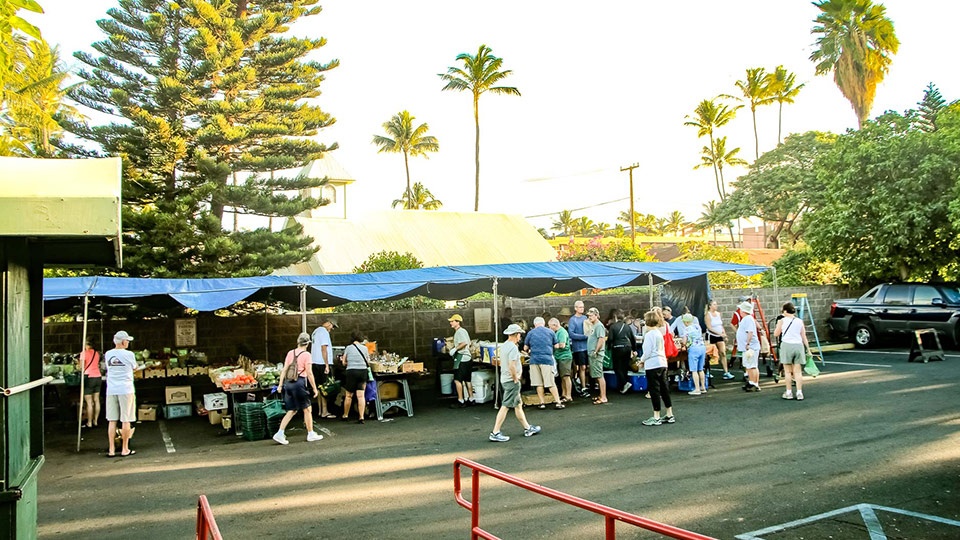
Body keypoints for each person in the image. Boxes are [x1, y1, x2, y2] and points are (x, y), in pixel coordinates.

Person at [489, 324, 541, 442]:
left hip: (505, 378)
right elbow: (512, 365)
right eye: (519, 335)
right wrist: (515, 378)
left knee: (518, 404)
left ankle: (527, 428)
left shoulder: (504, 346)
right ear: (516, 335)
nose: (520, 337)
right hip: (511, 380)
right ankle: (495, 432)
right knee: (505, 406)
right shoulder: (512, 348)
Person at [273, 333, 324, 445]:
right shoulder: (307, 355)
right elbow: (309, 373)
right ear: (308, 344)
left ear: (298, 342)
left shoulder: (290, 353)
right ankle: (311, 433)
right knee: (307, 409)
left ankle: (280, 433)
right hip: (299, 383)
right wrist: (315, 388)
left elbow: (284, 370)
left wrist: (280, 385)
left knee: (292, 410)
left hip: (288, 383)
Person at [104, 331, 141, 457]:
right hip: (126, 389)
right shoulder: (129, 354)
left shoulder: (108, 354)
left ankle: (111, 449)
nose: (128, 343)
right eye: (127, 341)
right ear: (123, 342)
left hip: (111, 389)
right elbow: (135, 367)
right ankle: (125, 448)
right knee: (126, 420)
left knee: (112, 420)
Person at [639, 311, 675, 426]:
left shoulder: (649, 335)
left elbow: (647, 352)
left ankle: (656, 416)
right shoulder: (659, 333)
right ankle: (669, 414)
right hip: (662, 362)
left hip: (652, 364)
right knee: (664, 389)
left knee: (654, 390)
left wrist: (641, 361)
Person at [524, 317, 564, 409]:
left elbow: (525, 348)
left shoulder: (530, 333)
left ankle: (542, 403)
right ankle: (558, 402)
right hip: (547, 359)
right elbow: (556, 346)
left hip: (534, 360)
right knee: (550, 383)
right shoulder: (550, 332)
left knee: (539, 383)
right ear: (544, 323)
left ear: (535, 324)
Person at [773, 302, 810, 401]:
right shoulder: (799, 321)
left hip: (787, 345)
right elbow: (803, 336)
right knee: (797, 371)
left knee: (788, 371)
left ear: (785, 311)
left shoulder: (781, 321)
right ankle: (799, 392)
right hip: (798, 345)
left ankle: (789, 392)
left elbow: (776, 334)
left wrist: (778, 327)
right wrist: (808, 349)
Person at [341, 330, 373, 423]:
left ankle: (345, 415)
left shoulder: (348, 348)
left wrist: (349, 363)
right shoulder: (365, 348)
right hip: (362, 372)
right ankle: (361, 417)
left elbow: (343, 362)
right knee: (361, 396)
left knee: (349, 395)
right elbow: (368, 361)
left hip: (351, 372)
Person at [310, 318, 338, 419]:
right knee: (326, 388)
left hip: (315, 362)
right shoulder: (324, 332)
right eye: (332, 326)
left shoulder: (316, 331)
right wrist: (326, 364)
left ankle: (320, 410)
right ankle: (325, 411)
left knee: (319, 387)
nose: (332, 329)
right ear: (329, 323)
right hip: (322, 363)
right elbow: (324, 349)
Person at [607, 310, 637, 394]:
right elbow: (632, 338)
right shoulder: (627, 327)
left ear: (615, 317)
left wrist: (609, 347)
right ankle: (623, 387)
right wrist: (634, 349)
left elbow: (610, 339)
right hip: (627, 347)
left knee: (617, 367)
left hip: (617, 348)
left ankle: (624, 383)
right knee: (625, 367)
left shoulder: (613, 327)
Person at [448, 314, 474, 408]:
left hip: (462, 358)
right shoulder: (464, 331)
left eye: (452, 321)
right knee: (467, 379)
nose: (451, 323)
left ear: (458, 322)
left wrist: (455, 349)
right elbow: (469, 343)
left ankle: (461, 400)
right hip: (468, 358)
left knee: (457, 380)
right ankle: (471, 399)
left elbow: (464, 343)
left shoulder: (459, 332)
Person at [736, 301, 762, 392]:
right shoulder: (748, 319)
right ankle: (754, 382)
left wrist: (747, 343)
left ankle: (753, 383)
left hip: (750, 347)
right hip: (751, 346)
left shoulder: (748, 319)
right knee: (752, 365)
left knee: (751, 366)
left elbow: (750, 332)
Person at [705, 300, 734, 380]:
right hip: (711, 335)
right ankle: (707, 371)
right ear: (710, 306)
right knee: (710, 354)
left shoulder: (718, 314)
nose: (716, 306)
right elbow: (709, 327)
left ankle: (726, 372)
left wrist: (724, 334)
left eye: (716, 304)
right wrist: (719, 333)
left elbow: (721, 325)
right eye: (714, 304)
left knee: (723, 353)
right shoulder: (708, 315)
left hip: (719, 336)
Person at [567, 301, 590, 398]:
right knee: (582, 367)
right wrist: (584, 336)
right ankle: (583, 387)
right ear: (575, 308)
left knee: (588, 367)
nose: (582, 309)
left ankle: (587, 384)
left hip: (587, 346)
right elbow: (571, 334)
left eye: (583, 307)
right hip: (578, 348)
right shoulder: (573, 320)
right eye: (580, 307)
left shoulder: (585, 318)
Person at [680, 313, 707, 395]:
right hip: (702, 347)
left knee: (694, 370)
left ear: (686, 322)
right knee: (700, 369)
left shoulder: (686, 329)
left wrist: (682, 342)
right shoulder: (697, 326)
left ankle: (697, 389)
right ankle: (703, 387)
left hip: (693, 349)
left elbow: (684, 341)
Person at [548, 317, 574, 402]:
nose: (550, 328)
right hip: (559, 357)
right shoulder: (557, 332)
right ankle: (564, 394)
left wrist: (554, 345)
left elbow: (562, 345)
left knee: (566, 376)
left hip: (564, 357)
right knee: (562, 377)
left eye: (550, 326)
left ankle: (568, 395)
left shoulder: (562, 332)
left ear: (555, 325)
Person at [586, 307, 608, 404]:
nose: (589, 317)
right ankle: (601, 395)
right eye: (588, 316)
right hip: (593, 353)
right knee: (597, 374)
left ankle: (603, 397)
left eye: (591, 316)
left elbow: (601, 339)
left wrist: (596, 351)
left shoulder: (599, 326)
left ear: (596, 315)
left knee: (599, 375)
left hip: (597, 354)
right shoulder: (594, 325)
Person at [80, 339, 102, 429]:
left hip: (89, 376)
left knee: (89, 402)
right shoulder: (97, 353)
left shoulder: (84, 353)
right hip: (98, 376)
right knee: (96, 400)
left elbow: (82, 367)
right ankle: (95, 421)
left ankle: (89, 422)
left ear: (87, 344)